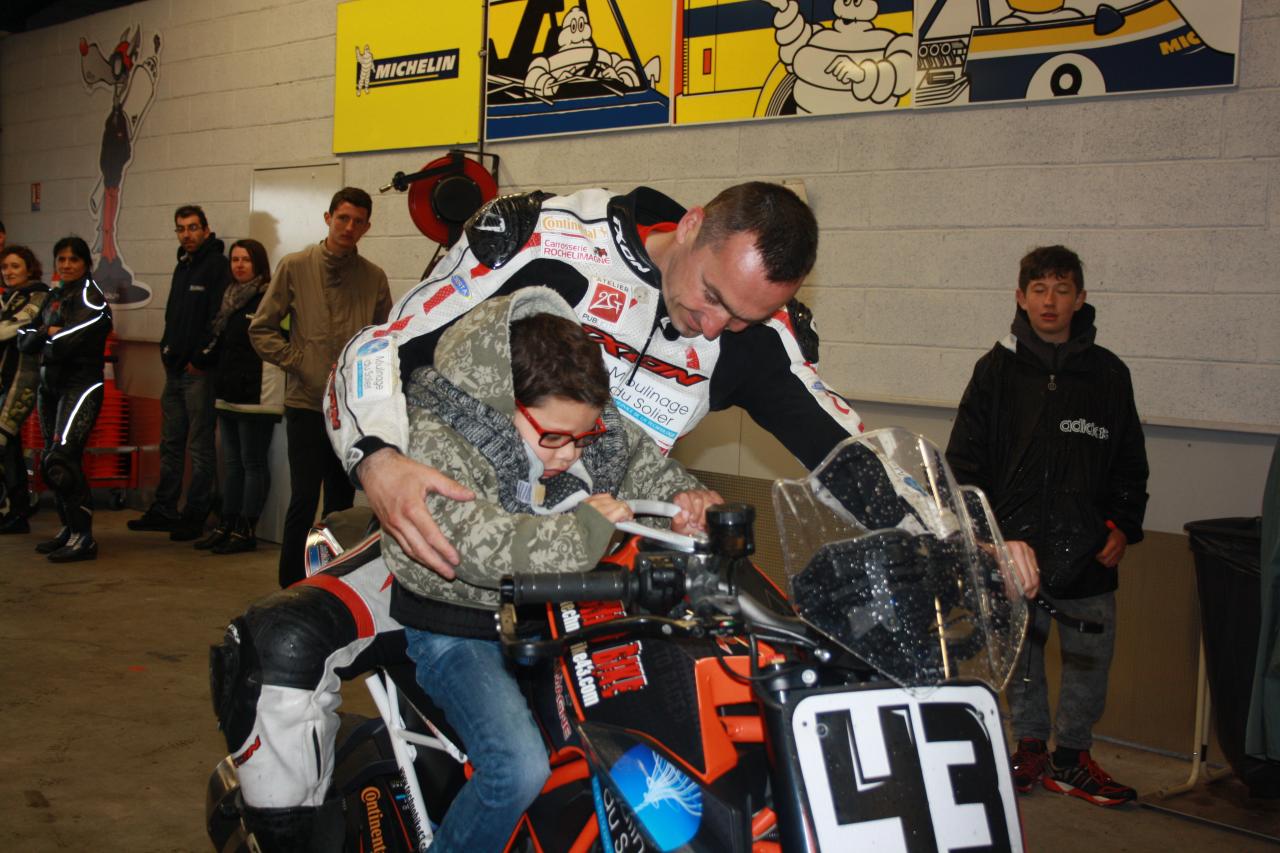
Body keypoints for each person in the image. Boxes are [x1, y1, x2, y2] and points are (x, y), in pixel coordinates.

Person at [329, 182, 861, 578]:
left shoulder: (764, 338)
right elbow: (383, 346)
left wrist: (917, 533)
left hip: (601, 560)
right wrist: (377, 460)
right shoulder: (548, 243)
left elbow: (849, 452)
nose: (715, 327)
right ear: (691, 226)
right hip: (463, 532)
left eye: (744, 318)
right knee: (298, 642)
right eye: (712, 295)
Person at [388, 287, 720, 850]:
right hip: (455, 625)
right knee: (517, 768)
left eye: (583, 436)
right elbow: (471, 546)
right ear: (503, 402)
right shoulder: (436, 436)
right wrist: (583, 533)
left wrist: (687, 498)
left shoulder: (574, 417)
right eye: (555, 438)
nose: (571, 454)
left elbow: (639, 460)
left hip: (549, 618)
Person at [946, 245, 1149, 807]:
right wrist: (987, 536)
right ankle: (1030, 748)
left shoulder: (1108, 375)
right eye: (1039, 290)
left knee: (1090, 657)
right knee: (1022, 656)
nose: (1050, 301)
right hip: (1014, 551)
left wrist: (1122, 525)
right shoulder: (994, 372)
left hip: (1089, 549)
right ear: (1021, 298)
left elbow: (1130, 461)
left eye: (1062, 290)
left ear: (1080, 299)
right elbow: (963, 464)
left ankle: (1073, 759)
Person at [250, 186, 391, 587]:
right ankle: (291, 584)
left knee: (341, 505)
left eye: (358, 221)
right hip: (307, 404)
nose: (349, 227)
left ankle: (331, 585)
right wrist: (300, 362)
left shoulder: (374, 278)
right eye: (342, 218)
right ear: (328, 219)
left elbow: (384, 339)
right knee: (303, 498)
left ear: (367, 227)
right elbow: (261, 329)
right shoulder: (295, 266)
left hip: (350, 412)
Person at [128, 204, 229, 541]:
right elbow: (174, 316)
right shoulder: (182, 266)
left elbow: (219, 318)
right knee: (170, 443)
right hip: (173, 370)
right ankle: (164, 508)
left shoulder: (217, 266)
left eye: (193, 227)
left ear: (206, 229)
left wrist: (200, 359)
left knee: (199, 446)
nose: (187, 234)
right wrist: (165, 351)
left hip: (199, 373)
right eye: (181, 228)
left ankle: (196, 513)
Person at [17, 237, 113, 562]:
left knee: (62, 460)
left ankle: (83, 537)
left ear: (86, 263)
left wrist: (46, 336)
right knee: (50, 460)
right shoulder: (54, 296)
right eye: (62, 259)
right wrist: (47, 333)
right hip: (50, 387)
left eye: (74, 259)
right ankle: (69, 529)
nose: (67, 265)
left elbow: (66, 343)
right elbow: (24, 339)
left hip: (80, 387)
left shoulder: (92, 298)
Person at [195, 239, 284, 555]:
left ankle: (246, 529)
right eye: (235, 259)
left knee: (252, 462)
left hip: (257, 393)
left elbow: (281, 341)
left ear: (258, 263)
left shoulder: (270, 297)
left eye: (246, 259)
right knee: (231, 464)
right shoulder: (229, 297)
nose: (239, 265)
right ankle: (226, 523)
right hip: (228, 390)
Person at [0, 245, 51, 534]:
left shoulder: (39, 296)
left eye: (15, 266)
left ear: (29, 268)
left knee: (2, 440)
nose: (8, 272)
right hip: (5, 381)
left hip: (24, 381)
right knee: (10, 449)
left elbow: (11, 329)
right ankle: (17, 512)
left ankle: (16, 509)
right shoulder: (8, 298)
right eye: (5, 267)